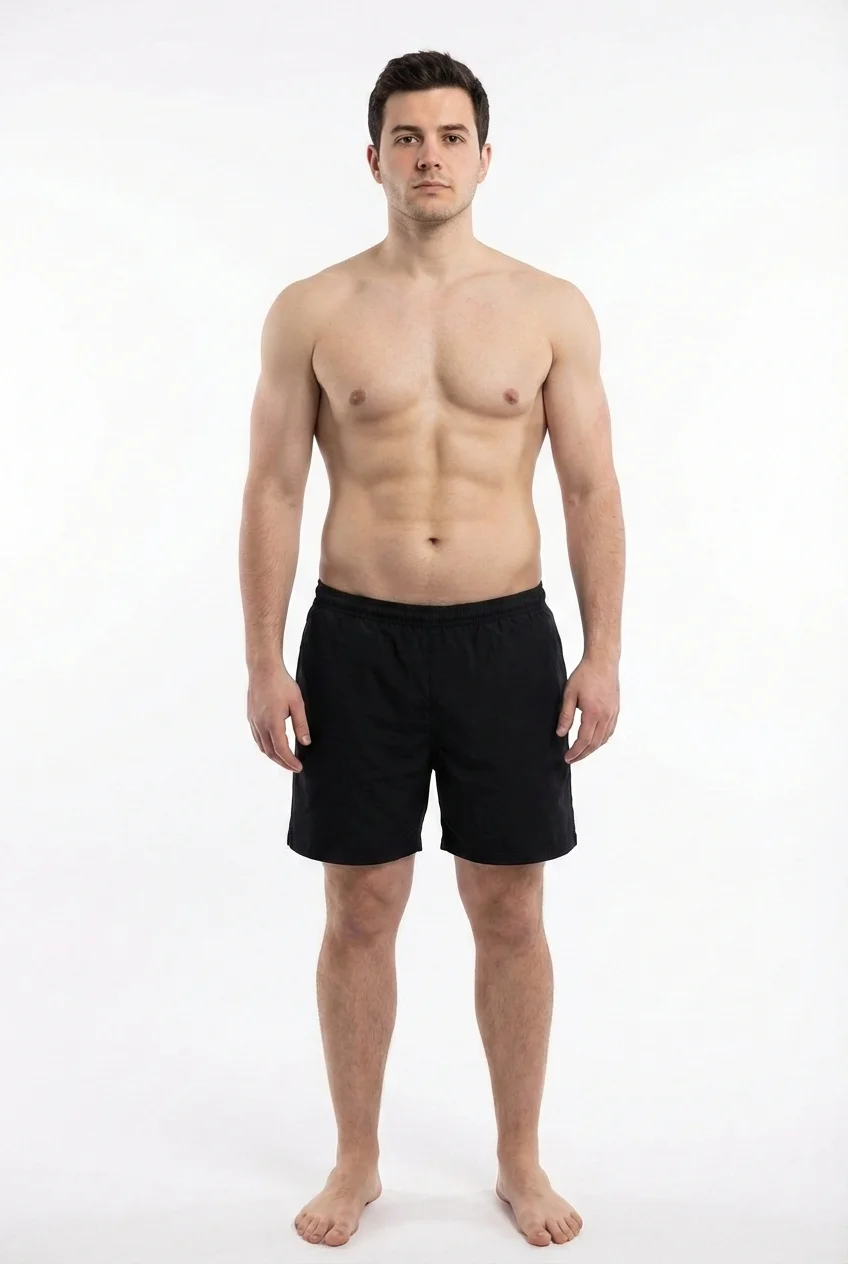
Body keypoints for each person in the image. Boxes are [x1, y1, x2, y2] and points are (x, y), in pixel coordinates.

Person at [239, 48, 624, 1251]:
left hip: (504, 639)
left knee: (509, 905)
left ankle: (518, 1157)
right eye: (406, 137)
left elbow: (590, 488)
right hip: (355, 639)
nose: (428, 157)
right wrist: (263, 659)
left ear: (484, 157)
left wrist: (602, 652)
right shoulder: (313, 309)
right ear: (373, 158)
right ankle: (355, 1158)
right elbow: (271, 489)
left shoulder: (548, 307)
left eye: (450, 136)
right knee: (360, 904)